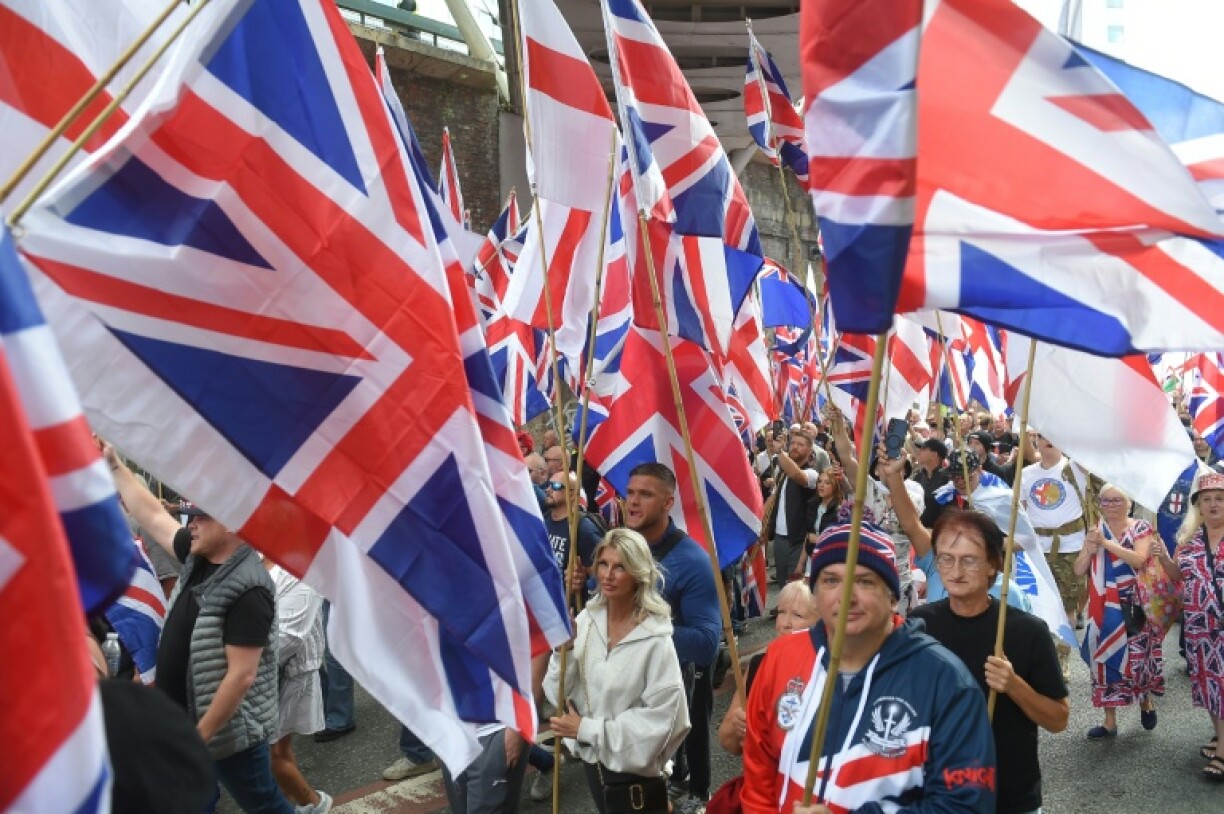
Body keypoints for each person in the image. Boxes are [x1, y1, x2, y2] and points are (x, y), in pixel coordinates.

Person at [742, 523, 996, 814]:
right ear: (815, 592)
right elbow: (759, 776)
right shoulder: (781, 656)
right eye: (831, 580)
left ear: (892, 597)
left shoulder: (946, 682)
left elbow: (966, 806)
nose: (846, 597)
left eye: (864, 581)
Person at [105, 445, 292, 813]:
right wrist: (114, 466)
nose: (189, 524)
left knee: (265, 805)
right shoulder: (198, 555)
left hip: (226, 738)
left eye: (199, 518)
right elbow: (153, 515)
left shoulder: (249, 588)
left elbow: (241, 676)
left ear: (232, 523)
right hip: (188, 726)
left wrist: (198, 738)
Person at [910, 511, 1068, 814]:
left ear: (994, 564)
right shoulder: (920, 626)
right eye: (946, 559)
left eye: (969, 560)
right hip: (937, 794)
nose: (955, 571)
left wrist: (1014, 685)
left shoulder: (1028, 631)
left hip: (1009, 796)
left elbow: (1058, 719)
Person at [545, 528, 692, 814]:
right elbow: (558, 693)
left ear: (638, 573)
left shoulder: (656, 640)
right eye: (603, 564)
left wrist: (587, 729)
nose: (608, 575)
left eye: (620, 567)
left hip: (634, 775)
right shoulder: (586, 620)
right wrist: (565, 651)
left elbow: (661, 722)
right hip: (594, 764)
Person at [621, 463, 720, 813]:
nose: (633, 501)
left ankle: (699, 792)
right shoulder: (623, 547)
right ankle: (674, 777)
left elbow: (707, 643)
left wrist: (644, 630)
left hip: (681, 675)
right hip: (631, 681)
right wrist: (586, 581)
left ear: (667, 503)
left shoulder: (693, 561)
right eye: (630, 493)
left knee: (693, 729)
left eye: (645, 494)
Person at [1074, 485, 1164, 739]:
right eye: (1106, 501)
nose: (1111, 505)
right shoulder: (1095, 530)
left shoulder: (1140, 528)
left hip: (1135, 605)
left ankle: (1145, 701)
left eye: (1117, 500)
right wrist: (1090, 548)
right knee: (1103, 661)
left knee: (1137, 660)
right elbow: (1079, 570)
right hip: (1103, 605)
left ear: (1129, 503)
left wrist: (1106, 544)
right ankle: (1109, 722)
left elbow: (1139, 559)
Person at [1157, 470, 1224, 780]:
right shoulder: (1189, 541)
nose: (1213, 504)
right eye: (1207, 499)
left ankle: (1223, 751)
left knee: (1222, 686)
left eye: (1219, 499)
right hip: (1198, 627)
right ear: (1198, 506)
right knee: (1208, 685)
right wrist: (1162, 556)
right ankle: (1220, 735)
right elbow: (1177, 575)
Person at [717, 581, 816, 756]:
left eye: (797, 615)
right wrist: (737, 726)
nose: (785, 623)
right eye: (781, 612)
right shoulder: (759, 665)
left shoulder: (826, 671)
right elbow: (727, 741)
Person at [1022, 437, 1090, 677]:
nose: (1048, 441)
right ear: (1036, 442)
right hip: (1036, 549)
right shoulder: (1026, 474)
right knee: (1036, 605)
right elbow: (1021, 512)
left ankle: (1062, 657)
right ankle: (1041, 657)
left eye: (1053, 436)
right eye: (1042, 436)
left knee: (1067, 607)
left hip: (1070, 546)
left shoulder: (1075, 469)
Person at [266, 562, 331, 812]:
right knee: (277, 749)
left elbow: (290, 637)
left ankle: (316, 804)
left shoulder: (301, 566)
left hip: (290, 669)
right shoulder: (252, 554)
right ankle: (292, 805)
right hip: (265, 669)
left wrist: (240, 663)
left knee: (272, 753)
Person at [766, 430, 823, 589]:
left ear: (810, 451)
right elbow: (772, 500)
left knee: (797, 587)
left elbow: (797, 475)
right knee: (783, 585)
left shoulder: (812, 473)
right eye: (793, 443)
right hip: (779, 539)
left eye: (800, 445)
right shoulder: (782, 474)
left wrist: (779, 452)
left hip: (799, 541)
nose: (795, 447)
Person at [795, 471, 846, 580]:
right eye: (819, 481)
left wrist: (818, 539)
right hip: (812, 558)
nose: (821, 485)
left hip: (831, 561)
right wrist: (800, 563)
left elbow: (842, 541)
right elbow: (808, 536)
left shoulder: (841, 510)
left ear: (835, 486)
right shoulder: (812, 505)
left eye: (827, 483)